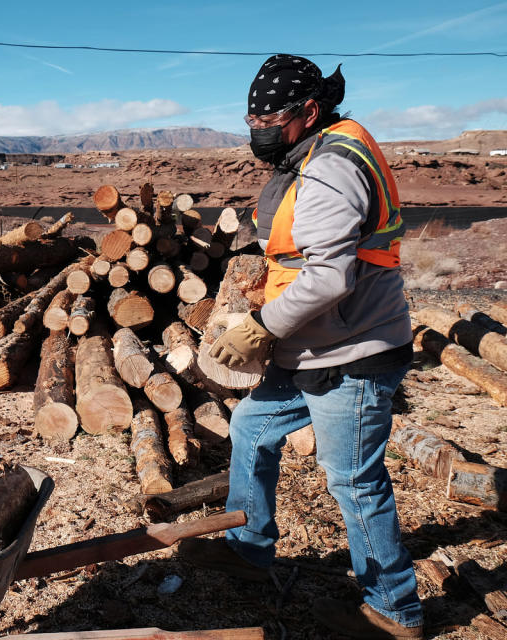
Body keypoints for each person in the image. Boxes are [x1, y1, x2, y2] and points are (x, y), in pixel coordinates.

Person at [181, 54, 423, 639]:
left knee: (352, 479)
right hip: (315, 345)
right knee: (251, 429)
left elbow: (330, 277)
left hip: (354, 350)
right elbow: (303, 259)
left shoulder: (331, 168)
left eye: (271, 117)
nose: (258, 127)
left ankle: (395, 612)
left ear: (310, 111)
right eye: (250, 117)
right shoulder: (309, 154)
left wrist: (264, 324)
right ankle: (249, 547)